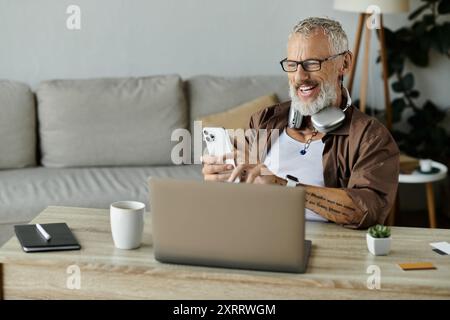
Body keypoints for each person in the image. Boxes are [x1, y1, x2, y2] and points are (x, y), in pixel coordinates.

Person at [202, 17, 399, 229]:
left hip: (325, 249)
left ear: (345, 63)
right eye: (292, 65)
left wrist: (285, 186)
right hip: (255, 235)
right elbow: (240, 192)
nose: (300, 76)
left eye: (312, 64)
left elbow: (368, 211)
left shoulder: (370, 137)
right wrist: (220, 178)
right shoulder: (264, 119)